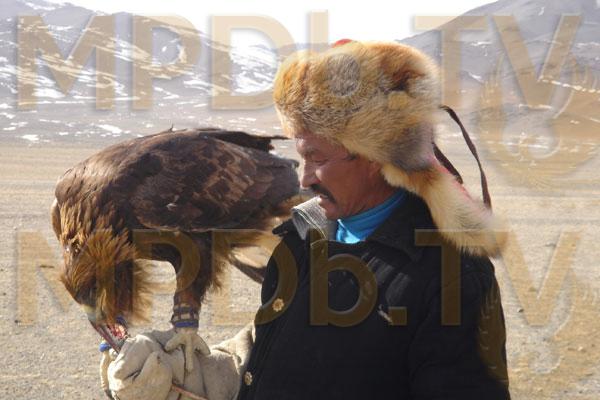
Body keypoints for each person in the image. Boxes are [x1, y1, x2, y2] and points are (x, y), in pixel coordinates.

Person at [102, 40, 510, 400]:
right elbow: (277, 354)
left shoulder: (449, 277)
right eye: (302, 157)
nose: (304, 178)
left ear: (375, 155)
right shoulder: (302, 238)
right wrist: (190, 377)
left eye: (317, 158)